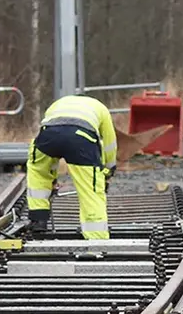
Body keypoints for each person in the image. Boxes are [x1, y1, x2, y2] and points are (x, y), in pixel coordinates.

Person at [25, 94, 117, 240]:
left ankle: (38, 219)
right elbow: (109, 143)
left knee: (39, 172)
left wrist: (52, 178)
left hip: (49, 136)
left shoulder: (58, 103)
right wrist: (108, 170)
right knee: (90, 189)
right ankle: (96, 237)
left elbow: (55, 131)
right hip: (81, 139)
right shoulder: (100, 108)